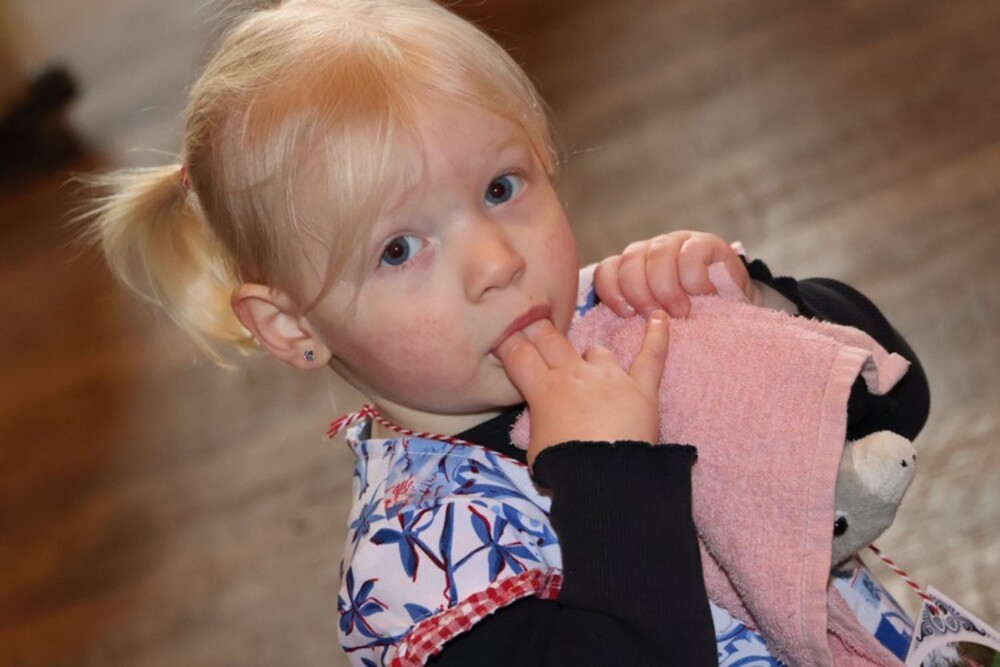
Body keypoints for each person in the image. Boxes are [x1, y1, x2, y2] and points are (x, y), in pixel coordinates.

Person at [83, 1, 929, 665]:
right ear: (290, 324)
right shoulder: (417, 573)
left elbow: (900, 406)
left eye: (500, 187)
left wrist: (763, 303)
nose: (495, 260)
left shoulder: (617, 313)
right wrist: (607, 471)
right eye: (398, 249)